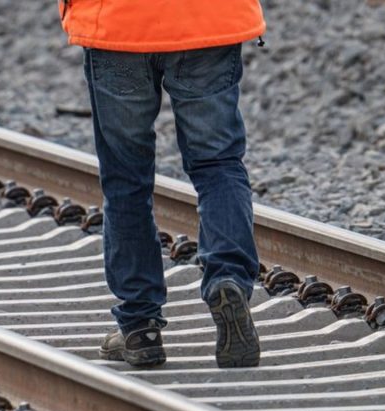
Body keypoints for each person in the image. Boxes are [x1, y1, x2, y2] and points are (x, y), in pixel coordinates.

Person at [59, 0, 265, 368]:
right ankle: (227, 279)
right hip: (208, 19)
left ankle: (140, 326)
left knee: (126, 178)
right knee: (218, 164)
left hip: (117, 23)